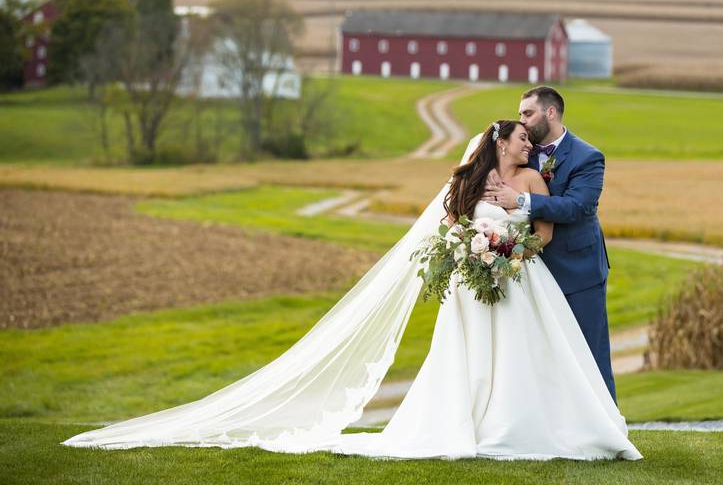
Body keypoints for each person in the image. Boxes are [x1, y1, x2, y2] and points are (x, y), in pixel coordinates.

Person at [63, 120, 641, 461]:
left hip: (520, 279)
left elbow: (542, 230)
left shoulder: (536, 178)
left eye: (527, 133)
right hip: (476, 281)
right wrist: (476, 253)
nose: (528, 144)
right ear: (500, 144)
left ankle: (539, 424)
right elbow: (453, 223)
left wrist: (512, 255)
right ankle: (474, 423)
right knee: (471, 361)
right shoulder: (473, 180)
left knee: (534, 358)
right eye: (520, 136)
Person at [484, 86, 617, 402]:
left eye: (528, 113)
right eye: (519, 115)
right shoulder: (520, 153)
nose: (523, 121)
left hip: (578, 272)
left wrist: (519, 199)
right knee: (542, 358)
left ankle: (609, 430)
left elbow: (576, 207)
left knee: (589, 353)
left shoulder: (587, 157)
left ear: (551, 112)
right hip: (530, 273)